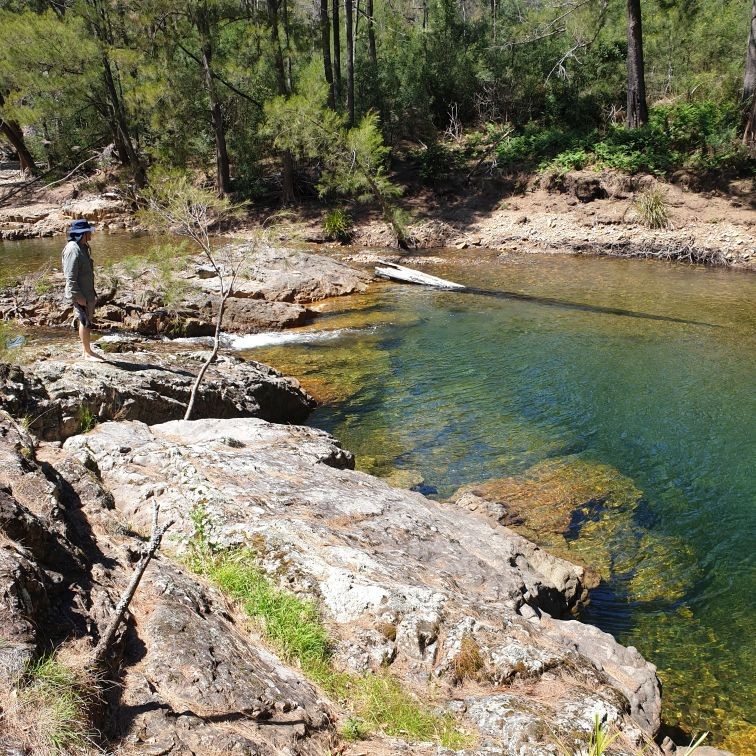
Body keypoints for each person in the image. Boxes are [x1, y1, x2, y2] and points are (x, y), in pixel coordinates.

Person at [62, 218, 104, 360]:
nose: (91, 234)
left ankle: (87, 350)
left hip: (87, 292)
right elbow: (70, 277)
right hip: (81, 294)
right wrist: (78, 296)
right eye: (88, 232)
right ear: (83, 233)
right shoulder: (72, 250)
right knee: (85, 321)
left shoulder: (83, 247)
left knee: (87, 320)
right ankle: (87, 352)